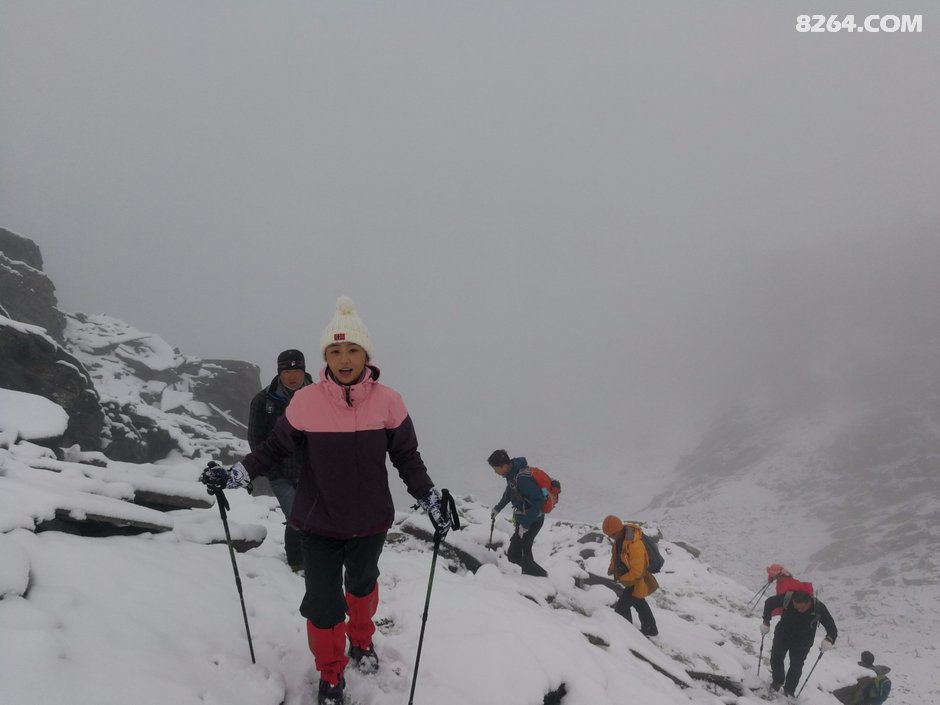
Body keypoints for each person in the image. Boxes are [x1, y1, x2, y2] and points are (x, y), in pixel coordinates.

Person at [201, 296, 450, 705]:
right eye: (335, 351)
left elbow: (407, 456)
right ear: (326, 357)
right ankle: (331, 675)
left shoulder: (389, 401)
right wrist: (236, 474)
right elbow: (273, 448)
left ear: (365, 354)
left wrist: (428, 497)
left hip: (370, 521)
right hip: (317, 522)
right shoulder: (307, 402)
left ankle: (362, 642)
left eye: (352, 349)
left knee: (362, 587)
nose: (344, 358)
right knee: (322, 604)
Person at [248, 348, 313, 571]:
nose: (293, 375)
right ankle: (297, 563)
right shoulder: (263, 401)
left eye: (297, 370)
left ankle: (312, 560)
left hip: (314, 472)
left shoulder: (319, 396)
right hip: (281, 474)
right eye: (287, 370)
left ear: (304, 371)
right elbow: (256, 440)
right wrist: (272, 472)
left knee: (311, 517)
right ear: (279, 373)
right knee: (296, 516)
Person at [760, 583, 838, 697]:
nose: (798, 609)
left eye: (801, 608)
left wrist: (829, 639)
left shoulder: (818, 607)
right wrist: (766, 621)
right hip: (783, 635)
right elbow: (769, 603)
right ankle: (777, 681)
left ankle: (789, 690)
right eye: (795, 607)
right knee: (776, 657)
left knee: (796, 665)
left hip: (803, 641)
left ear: (809, 602)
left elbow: (832, 627)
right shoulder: (788, 598)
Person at [488, 449, 548, 577]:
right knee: (517, 554)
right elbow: (509, 494)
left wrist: (525, 524)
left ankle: (541, 578)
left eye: (496, 469)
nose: (495, 472)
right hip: (523, 520)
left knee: (520, 552)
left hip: (533, 520)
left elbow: (539, 501)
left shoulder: (522, 478)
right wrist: (497, 509)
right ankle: (536, 577)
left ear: (504, 466)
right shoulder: (511, 475)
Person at [602, 515, 659, 637]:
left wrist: (622, 578)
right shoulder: (619, 540)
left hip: (637, 580)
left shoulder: (635, 544)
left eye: (613, 534)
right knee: (639, 601)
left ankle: (628, 635)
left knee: (621, 609)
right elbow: (616, 556)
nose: (611, 537)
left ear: (619, 529)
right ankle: (651, 629)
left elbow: (638, 572)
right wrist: (612, 569)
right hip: (630, 579)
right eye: (609, 535)